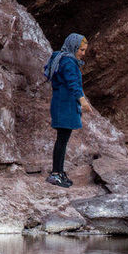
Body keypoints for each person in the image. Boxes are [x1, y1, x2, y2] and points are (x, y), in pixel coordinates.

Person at [44, 33, 90, 188]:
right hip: (65, 106)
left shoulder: (62, 59)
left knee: (62, 140)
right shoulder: (68, 62)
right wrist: (82, 101)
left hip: (63, 104)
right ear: (74, 47)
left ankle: (59, 171)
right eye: (81, 50)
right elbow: (73, 83)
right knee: (62, 140)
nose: (83, 53)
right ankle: (56, 173)